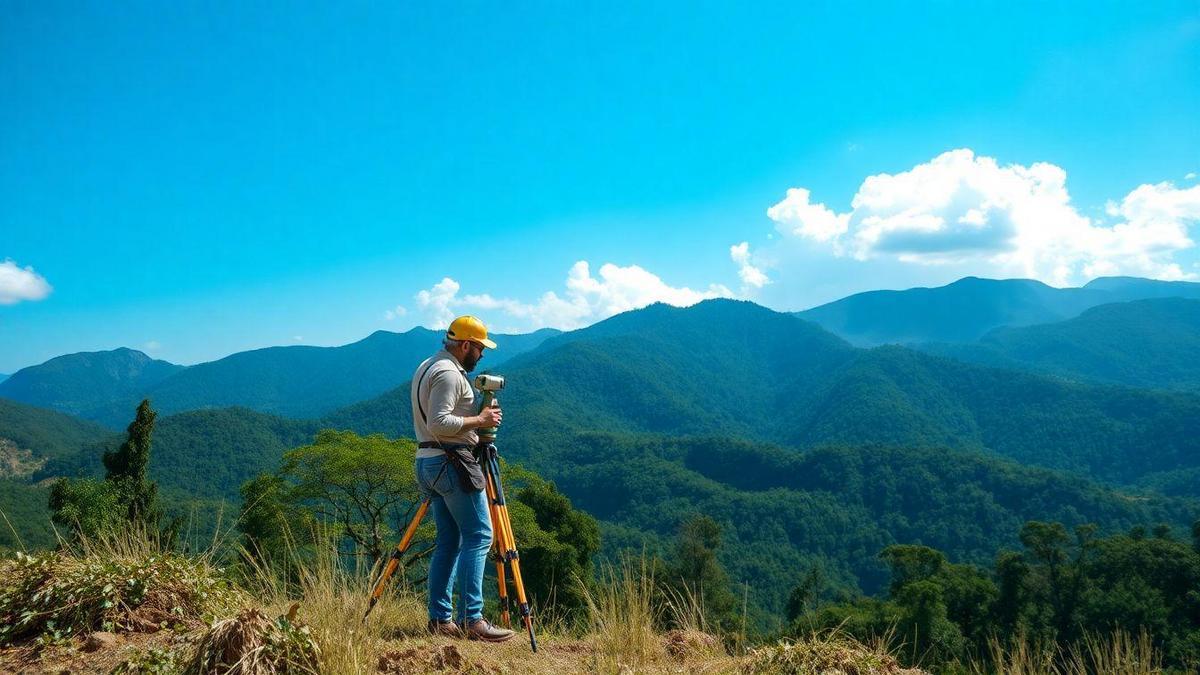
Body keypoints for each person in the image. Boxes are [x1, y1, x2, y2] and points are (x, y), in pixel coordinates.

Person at [411, 315, 516, 642]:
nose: (482, 355)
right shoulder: (448, 375)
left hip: (429, 463)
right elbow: (440, 422)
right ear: (466, 345)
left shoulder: (429, 365)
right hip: (451, 463)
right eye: (480, 348)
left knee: (450, 541)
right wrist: (481, 419)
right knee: (480, 536)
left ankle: (441, 620)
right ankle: (474, 620)